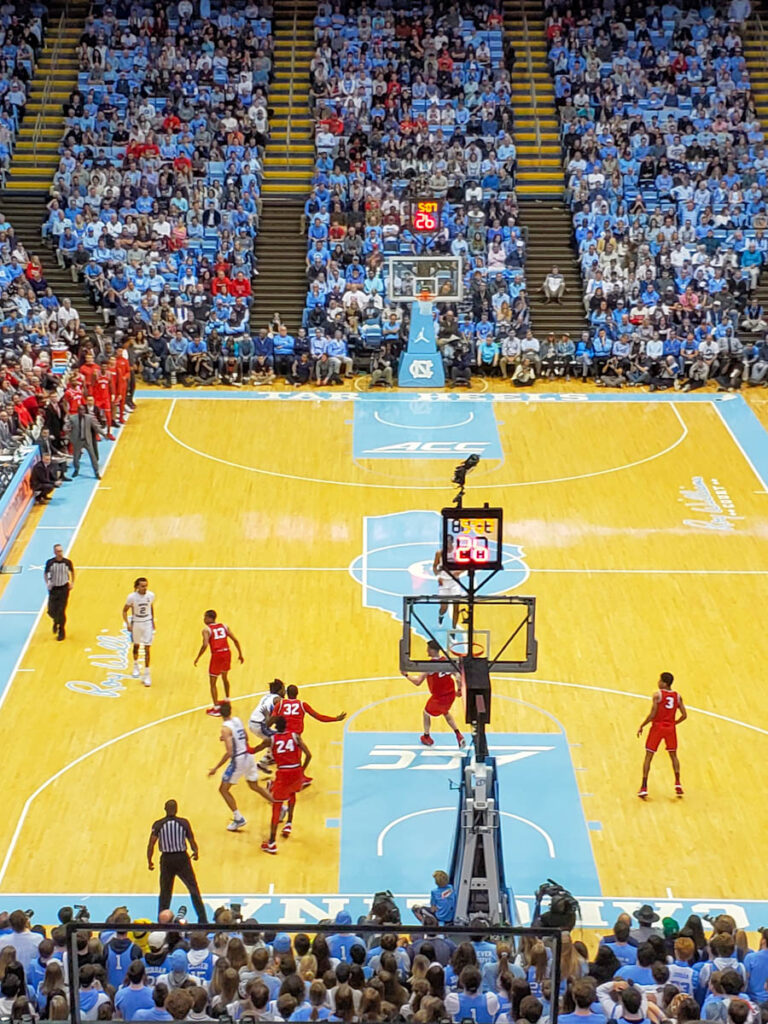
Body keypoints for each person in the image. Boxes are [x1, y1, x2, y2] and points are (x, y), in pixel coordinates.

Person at [251, 715, 312, 854]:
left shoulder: (271, 739)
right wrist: (302, 771)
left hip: (283, 773)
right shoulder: (295, 736)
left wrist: (243, 747)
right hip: (296, 771)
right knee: (292, 794)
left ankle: (272, 842)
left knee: (276, 806)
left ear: (275, 727)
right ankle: (289, 824)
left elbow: (254, 750)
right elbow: (309, 755)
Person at [208, 700, 272, 832]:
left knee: (223, 790)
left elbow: (229, 752)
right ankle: (279, 806)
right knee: (254, 785)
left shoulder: (225, 729)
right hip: (248, 756)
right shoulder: (237, 720)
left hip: (238, 760)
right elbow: (245, 738)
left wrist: (216, 767)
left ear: (220, 713)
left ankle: (238, 818)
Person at [147, 799, 208, 923]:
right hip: (182, 859)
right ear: (176, 809)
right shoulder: (183, 823)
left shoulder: (158, 824)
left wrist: (150, 860)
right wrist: (195, 852)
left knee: (165, 892)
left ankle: (161, 922)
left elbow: (151, 844)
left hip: (166, 860)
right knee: (193, 889)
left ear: (165, 809)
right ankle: (203, 920)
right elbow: (191, 840)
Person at [402, 639, 465, 748]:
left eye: (428, 649)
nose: (426, 650)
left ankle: (426, 736)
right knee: (446, 713)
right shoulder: (447, 661)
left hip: (439, 698)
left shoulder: (429, 666)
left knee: (426, 713)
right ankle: (458, 734)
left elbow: (418, 682)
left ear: (432, 650)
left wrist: (406, 675)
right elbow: (458, 677)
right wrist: (459, 690)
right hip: (450, 696)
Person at [636, 672, 687, 798]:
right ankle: (678, 783)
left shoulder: (657, 695)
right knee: (673, 755)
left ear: (664, 683)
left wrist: (643, 724)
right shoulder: (678, 696)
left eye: (660, 680)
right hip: (670, 729)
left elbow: (653, 713)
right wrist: (674, 723)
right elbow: (684, 715)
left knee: (649, 756)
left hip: (657, 728)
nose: (658, 682)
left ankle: (644, 786)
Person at [193, 610, 244, 716]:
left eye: (205, 617)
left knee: (213, 682)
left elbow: (205, 645)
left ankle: (216, 708)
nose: (204, 619)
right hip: (227, 653)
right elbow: (235, 640)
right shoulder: (224, 626)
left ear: (209, 618)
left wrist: (198, 657)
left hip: (217, 655)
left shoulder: (206, 630)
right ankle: (227, 699)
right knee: (225, 678)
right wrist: (240, 654)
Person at [273, 684, 346, 735]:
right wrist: (335, 718)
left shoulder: (280, 704)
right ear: (297, 693)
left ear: (287, 693)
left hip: (282, 736)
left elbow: (271, 719)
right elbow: (319, 717)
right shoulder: (302, 705)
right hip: (296, 738)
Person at [123, 577, 156, 686]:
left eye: (146, 585)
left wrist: (153, 621)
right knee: (136, 646)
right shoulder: (131, 597)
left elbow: (151, 607)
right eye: (142, 586)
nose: (145, 588)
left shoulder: (150, 595)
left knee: (147, 648)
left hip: (147, 623)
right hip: (136, 623)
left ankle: (147, 674)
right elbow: (124, 611)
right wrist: (128, 624)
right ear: (137, 587)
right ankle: (136, 665)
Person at [248, 679, 286, 771]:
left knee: (272, 738)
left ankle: (270, 758)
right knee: (278, 738)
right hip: (259, 724)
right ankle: (264, 762)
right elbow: (278, 715)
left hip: (253, 722)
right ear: (280, 690)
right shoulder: (278, 699)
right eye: (283, 689)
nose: (285, 691)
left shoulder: (266, 697)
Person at [44, 543, 75, 641]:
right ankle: (56, 621)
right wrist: (47, 583)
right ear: (54, 552)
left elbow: (72, 572)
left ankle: (61, 631)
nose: (60, 553)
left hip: (63, 589)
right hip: (53, 589)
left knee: (61, 611)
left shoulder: (67, 562)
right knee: (51, 611)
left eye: (61, 551)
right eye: (58, 551)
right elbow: (45, 573)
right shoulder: (50, 563)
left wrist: (72, 583)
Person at [433, 539, 464, 627]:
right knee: (444, 607)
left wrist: (460, 571)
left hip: (455, 581)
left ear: (452, 543)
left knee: (456, 606)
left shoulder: (457, 552)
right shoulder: (439, 553)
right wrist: (437, 577)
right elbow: (435, 566)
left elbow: (467, 565)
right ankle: (441, 615)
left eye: (449, 544)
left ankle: (453, 628)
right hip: (444, 582)